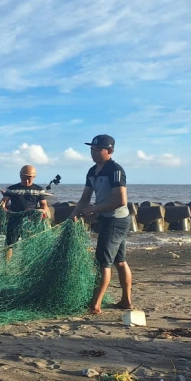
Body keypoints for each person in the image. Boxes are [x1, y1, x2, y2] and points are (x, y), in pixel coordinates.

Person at [69, 134, 133, 314]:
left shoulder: (115, 170)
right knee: (120, 261)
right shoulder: (92, 171)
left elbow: (120, 200)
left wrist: (95, 209)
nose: (94, 153)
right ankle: (126, 301)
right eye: (92, 149)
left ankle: (95, 305)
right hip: (108, 219)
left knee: (103, 263)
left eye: (98, 150)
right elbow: (85, 198)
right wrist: (73, 216)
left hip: (116, 220)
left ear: (110, 151)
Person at [0, 165, 49, 261]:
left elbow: (44, 205)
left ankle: (25, 266)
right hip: (15, 219)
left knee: (29, 244)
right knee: (9, 244)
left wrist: (43, 213)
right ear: (20, 175)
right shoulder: (12, 189)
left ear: (34, 177)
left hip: (31, 221)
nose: (26, 181)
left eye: (29, 178)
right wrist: (2, 206)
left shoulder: (39, 190)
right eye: (24, 178)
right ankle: (6, 267)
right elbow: (4, 201)